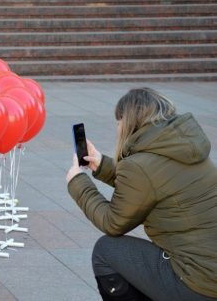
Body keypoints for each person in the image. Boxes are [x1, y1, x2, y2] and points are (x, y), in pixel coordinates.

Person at [66, 87, 217, 301]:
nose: (117, 129)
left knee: (106, 250)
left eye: (118, 123)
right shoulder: (185, 147)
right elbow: (151, 182)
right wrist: (102, 165)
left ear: (128, 124)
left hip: (198, 283)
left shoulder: (140, 166)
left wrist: (77, 182)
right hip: (211, 273)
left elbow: (113, 223)